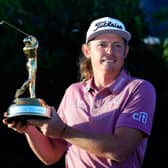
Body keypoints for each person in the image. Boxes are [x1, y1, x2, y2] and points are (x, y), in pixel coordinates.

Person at [3, 16, 156, 168]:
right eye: (102, 45)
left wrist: (64, 131)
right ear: (87, 51)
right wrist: (30, 129)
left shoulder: (140, 89)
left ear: (126, 51)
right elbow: (52, 155)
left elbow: (120, 149)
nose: (110, 51)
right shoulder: (73, 92)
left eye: (117, 45)